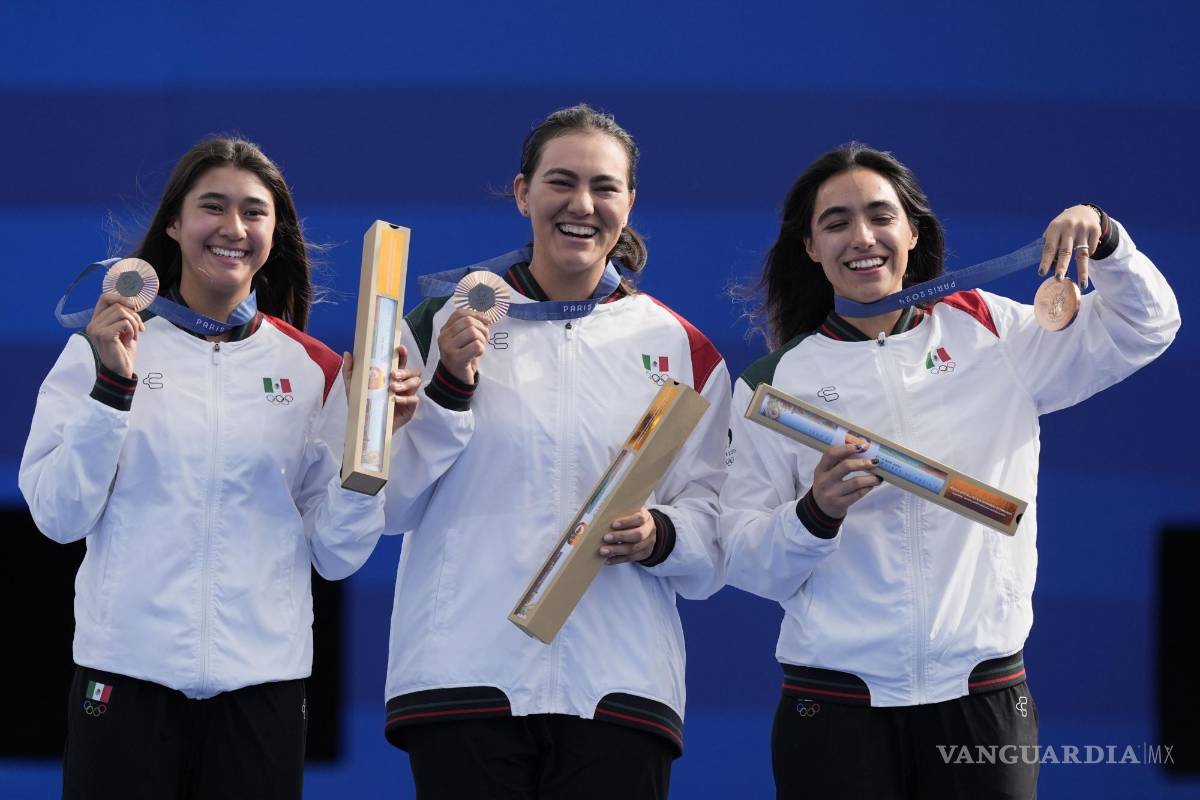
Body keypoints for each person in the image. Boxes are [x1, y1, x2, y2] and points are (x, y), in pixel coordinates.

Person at [719, 143, 1179, 799]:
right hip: (832, 705)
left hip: (981, 694)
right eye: (837, 222)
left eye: (881, 216)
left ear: (913, 230)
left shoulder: (992, 330)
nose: (863, 237)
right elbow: (743, 558)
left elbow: (1146, 327)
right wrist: (814, 514)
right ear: (811, 248)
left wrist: (1107, 242)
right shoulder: (772, 385)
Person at [20, 136, 418, 800]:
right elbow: (59, 519)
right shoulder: (99, 349)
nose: (233, 228)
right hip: (124, 677)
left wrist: (368, 453)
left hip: (260, 689)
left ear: (274, 233)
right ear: (174, 223)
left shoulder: (315, 371)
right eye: (213, 207)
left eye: (254, 212)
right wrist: (112, 391)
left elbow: (337, 555)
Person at [380, 104, 731, 799]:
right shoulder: (439, 323)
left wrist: (665, 534)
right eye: (560, 182)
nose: (582, 204)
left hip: (618, 683)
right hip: (465, 676)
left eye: (604, 187)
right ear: (522, 193)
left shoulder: (679, 349)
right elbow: (383, 505)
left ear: (629, 203)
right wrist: (450, 387)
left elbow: (719, 528)